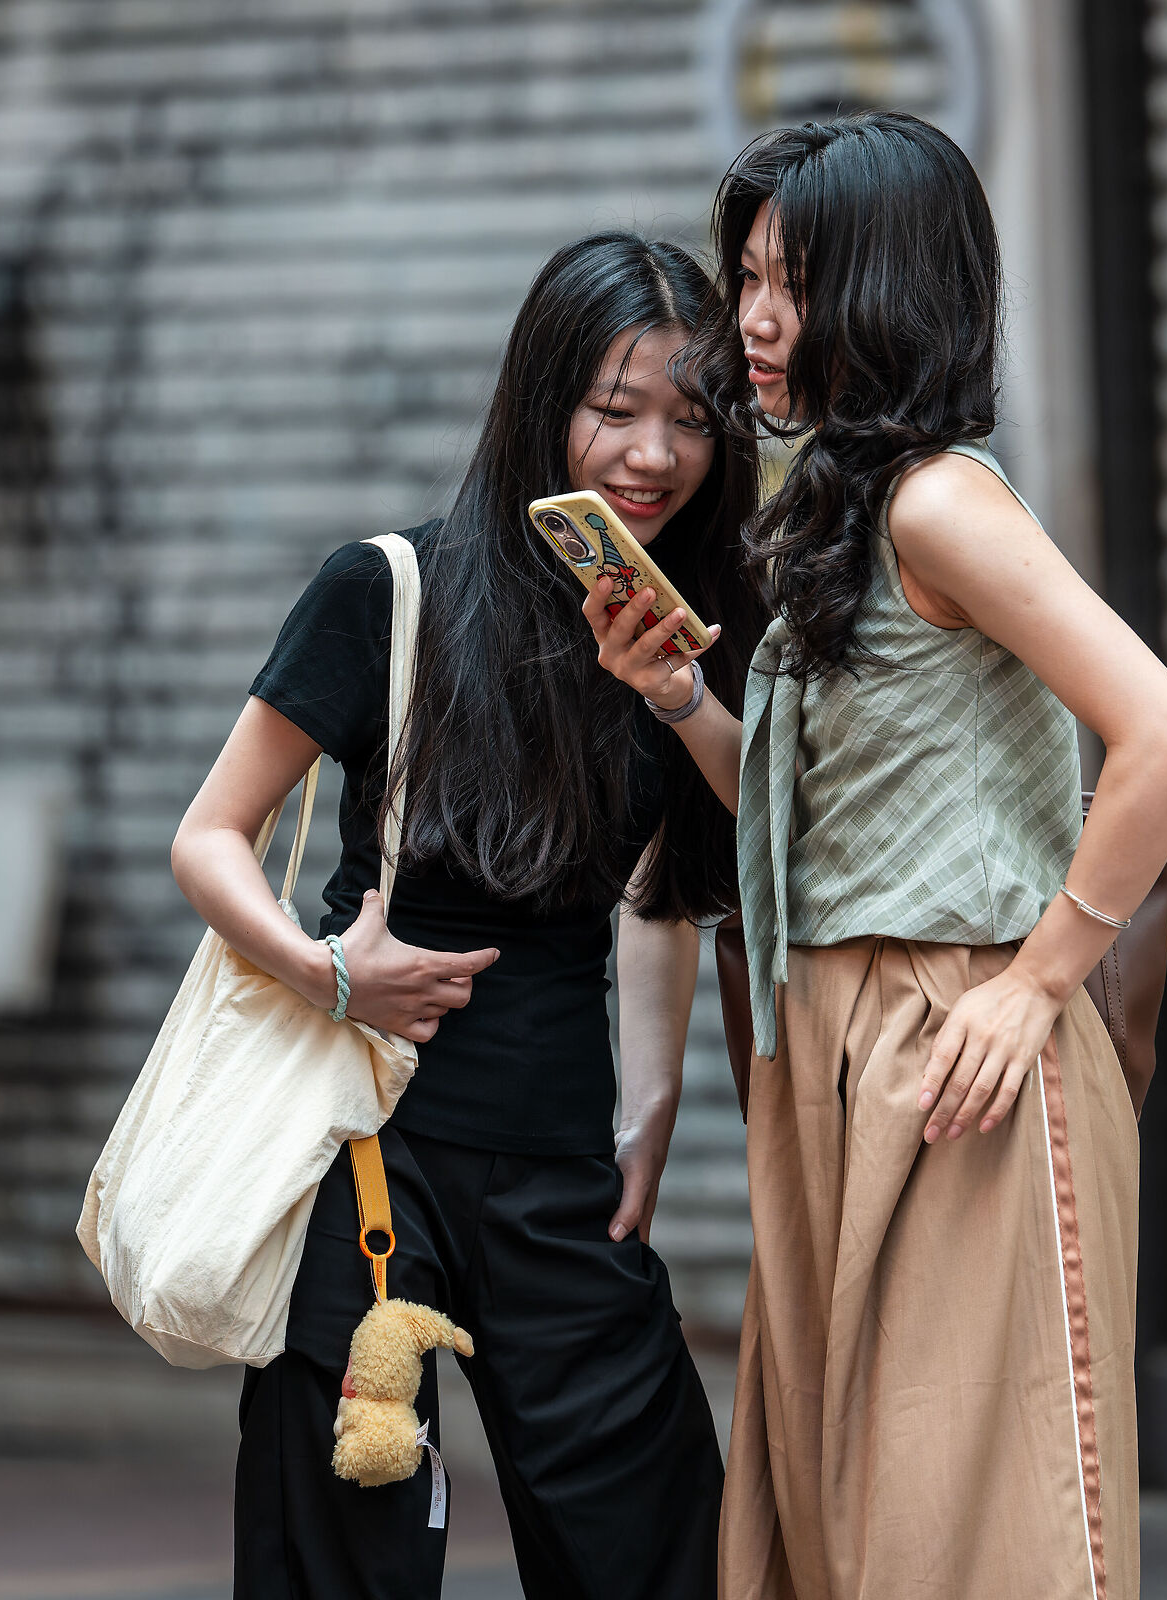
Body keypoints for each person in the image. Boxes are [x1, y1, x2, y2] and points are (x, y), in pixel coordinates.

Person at [583, 114, 1167, 1600]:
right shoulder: (842, 504)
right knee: (857, 1516)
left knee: (976, 1526)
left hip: (961, 1045)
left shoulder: (939, 499)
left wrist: (1033, 984)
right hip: (841, 1047)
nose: (748, 318)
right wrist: (679, 699)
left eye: (788, 281)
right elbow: (812, 827)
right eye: (746, 275)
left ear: (887, 289)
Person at [172, 231, 769, 1600]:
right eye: (616, 409)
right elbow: (209, 840)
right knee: (352, 1559)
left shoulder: (690, 632)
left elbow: (678, 884)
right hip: (365, 1145)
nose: (653, 454)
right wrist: (331, 972)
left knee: (659, 1540)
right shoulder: (387, 589)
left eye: (691, 418)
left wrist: (651, 1104)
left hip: (560, 1163)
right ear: (543, 400)